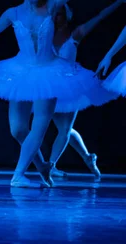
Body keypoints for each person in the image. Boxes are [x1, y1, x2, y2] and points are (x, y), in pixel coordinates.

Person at [0, 0, 93, 188]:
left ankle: (18, 175)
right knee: (18, 129)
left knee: (39, 124)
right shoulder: (12, 13)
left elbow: (68, 10)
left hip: (49, 71)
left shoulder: (53, 6)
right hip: (20, 70)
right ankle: (43, 167)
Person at [46, 1, 123, 180]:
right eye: (54, 14)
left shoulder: (76, 33)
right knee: (64, 128)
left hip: (72, 85)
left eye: (59, 14)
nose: (56, 18)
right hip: (51, 86)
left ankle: (50, 167)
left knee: (65, 129)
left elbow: (100, 16)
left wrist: (118, 2)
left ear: (67, 15)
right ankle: (88, 158)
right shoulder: (46, 35)